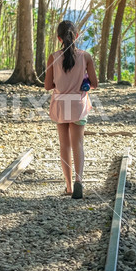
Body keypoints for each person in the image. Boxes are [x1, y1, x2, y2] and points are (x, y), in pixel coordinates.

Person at [44, 20, 98, 199]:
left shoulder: (53, 57)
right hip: (78, 104)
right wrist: (84, 81)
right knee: (78, 144)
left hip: (60, 103)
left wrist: (61, 82)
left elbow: (47, 86)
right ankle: (79, 181)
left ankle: (68, 186)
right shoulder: (86, 56)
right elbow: (95, 83)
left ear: (59, 38)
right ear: (76, 36)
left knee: (64, 145)